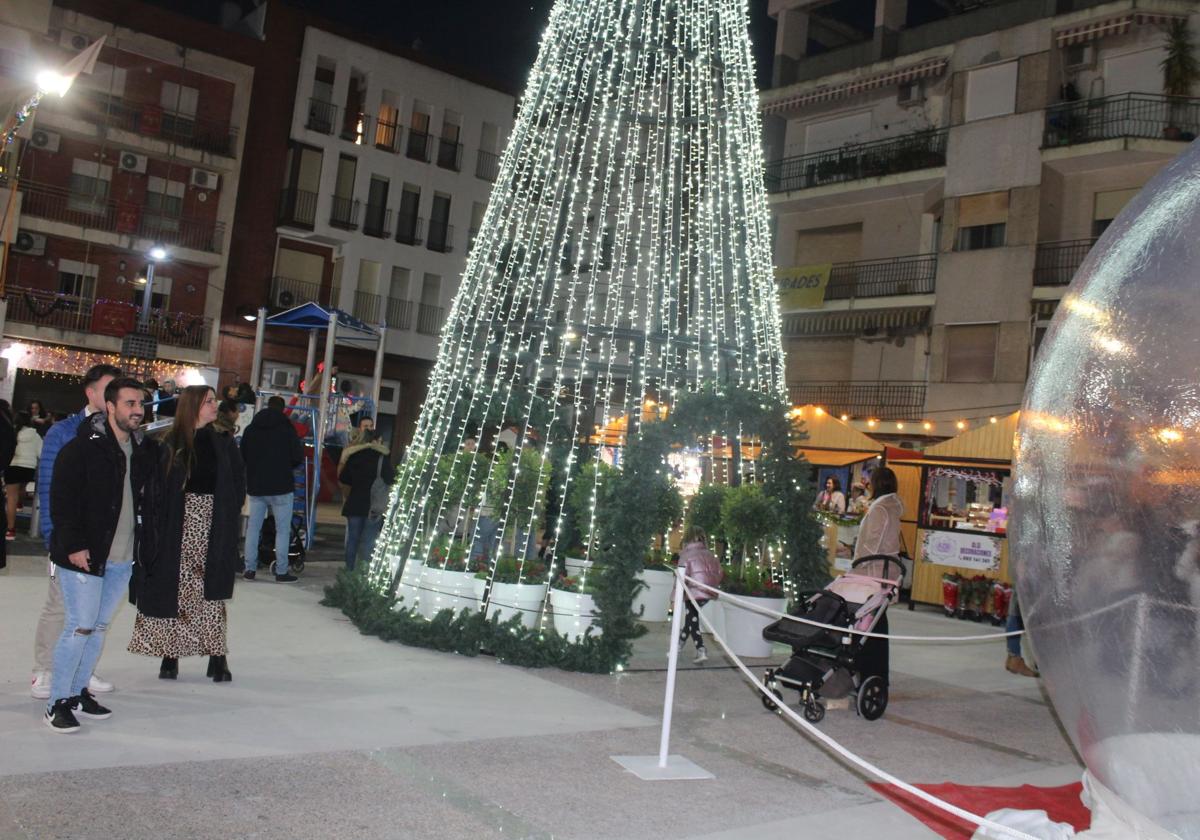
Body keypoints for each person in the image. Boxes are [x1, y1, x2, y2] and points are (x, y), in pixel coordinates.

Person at [44, 377, 156, 732]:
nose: (137, 410)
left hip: (122, 557)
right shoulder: (82, 448)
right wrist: (75, 545)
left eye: (140, 404)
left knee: (98, 627)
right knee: (78, 627)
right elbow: (61, 501)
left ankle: (78, 692)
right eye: (129, 404)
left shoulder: (141, 450)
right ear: (110, 406)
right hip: (85, 556)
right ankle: (57, 701)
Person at [128, 386, 246, 682]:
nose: (215, 405)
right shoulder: (167, 440)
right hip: (176, 524)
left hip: (213, 523)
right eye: (209, 401)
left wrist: (228, 514)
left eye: (214, 400)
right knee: (176, 589)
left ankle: (217, 655)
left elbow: (237, 481)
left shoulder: (223, 441)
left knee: (211, 592)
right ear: (193, 405)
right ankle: (171, 654)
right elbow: (151, 483)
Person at [30, 363, 122, 701]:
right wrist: (56, 535)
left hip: (106, 540)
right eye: (108, 389)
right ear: (91, 391)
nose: (114, 397)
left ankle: (82, 670)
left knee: (95, 610)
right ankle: (45, 669)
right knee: (60, 605)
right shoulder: (64, 431)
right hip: (68, 538)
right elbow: (49, 485)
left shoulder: (119, 435)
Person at [241, 396, 304, 582]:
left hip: (257, 486)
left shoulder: (251, 429)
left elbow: (243, 454)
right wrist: (285, 467)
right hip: (282, 486)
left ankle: (250, 569)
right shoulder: (287, 429)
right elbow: (297, 456)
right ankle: (281, 571)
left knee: (253, 528)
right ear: (283, 409)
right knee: (283, 530)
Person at [853, 466, 902, 685]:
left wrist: (856, 567)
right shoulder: (891, 507)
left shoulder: (880, 509)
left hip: (872, 572)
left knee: (867, 620)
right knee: (877, 622)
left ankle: (869, 671)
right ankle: (875, 673)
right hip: (884, 570)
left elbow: (871, 544)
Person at [338, 430, 394, 571]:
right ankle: (363, 574)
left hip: (354, 504)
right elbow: (391, 479)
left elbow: (344, 478)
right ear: (376, 441)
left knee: (352, 540)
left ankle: (349, 572)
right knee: (369, 542)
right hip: (373, 507)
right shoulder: (382, 458)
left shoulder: (354, 456)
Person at [673, 526, 723, 665]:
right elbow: (720, 572)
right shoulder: (711, 554)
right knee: (691, 618)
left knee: (692, 618)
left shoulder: (686, 555)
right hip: (708, 590)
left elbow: (680, 577)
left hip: (693, 591)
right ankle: (679, 645)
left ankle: (700, 649)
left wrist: (674, 597)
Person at [7, 410, 42, 539]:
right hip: (29, 468)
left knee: (11, 497)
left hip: (13, 465)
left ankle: (10, 530)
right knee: (22, 488)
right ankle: (20, 505)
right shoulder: (36, 435)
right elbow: (41, 453)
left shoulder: (12, 433)